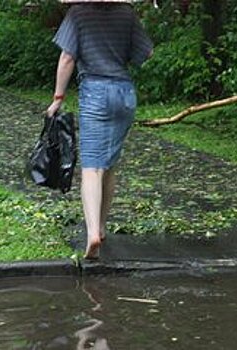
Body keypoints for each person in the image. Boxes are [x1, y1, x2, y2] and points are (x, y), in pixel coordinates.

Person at [46, 0, 153, 259]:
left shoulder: (77, 13)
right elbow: (146, 53)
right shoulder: (127, 14)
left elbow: (68, 57)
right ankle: (102, 227)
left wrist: (58, 98)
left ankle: (92, 232)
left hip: (95, 92)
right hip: (125, 94)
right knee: (110, 164)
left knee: (92, 168)